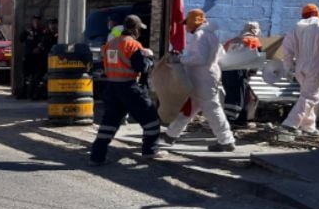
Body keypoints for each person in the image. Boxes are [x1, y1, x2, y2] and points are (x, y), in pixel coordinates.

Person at [89, 15, 164, 165]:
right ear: (135, 29)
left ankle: (96, 157)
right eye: (139, 30)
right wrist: (149, 59)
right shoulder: (133, 45)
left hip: (112, 87)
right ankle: (150, 150)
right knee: (150, 119)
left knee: (109, 123)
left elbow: (105, 63)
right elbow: (141, 67)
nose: (139, 33)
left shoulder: (110, 44)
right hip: (129, 87)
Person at [164, 9, 237, 151]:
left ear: (193, 22)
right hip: (206, 76)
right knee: (189, 108)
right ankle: (170, 134)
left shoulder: (200, 35)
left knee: (211, 108)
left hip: (201, 78)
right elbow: (221, 56)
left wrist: (179, 59)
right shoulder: (212, 36)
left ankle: (226, 140)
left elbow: (199, 58)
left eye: (187, 24)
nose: (186, 27)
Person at [280, 4, 319, 136]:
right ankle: (290, 123)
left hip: (300, 67)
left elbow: (287, 49)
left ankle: (308, 126)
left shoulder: (296, 27)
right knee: (310, 97)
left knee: (307, 96)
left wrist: (288, 67)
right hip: (316, 66)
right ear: (316, 13)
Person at [221, 21, 263, 127]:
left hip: (225, 71)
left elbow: (222, 53)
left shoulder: (232, 40)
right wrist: (253, 71)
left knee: (230, 95)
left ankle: (229, 119)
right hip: (239, 71)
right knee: (238, 97)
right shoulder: (254, 40)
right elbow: (257, 58)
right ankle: (233, 121)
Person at [19, 14, 45, 99]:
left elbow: (45, 42)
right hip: (28, 56)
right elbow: (21, 39)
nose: (36, 22)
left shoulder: (42, 31)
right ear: (32, 21)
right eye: (34, 20)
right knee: (25, 76)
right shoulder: (28, 30)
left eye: (38, 20)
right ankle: (24, 93)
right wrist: (25, 32)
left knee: (37, 77)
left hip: (38, 57)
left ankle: (35, 94)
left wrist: (39, 48)